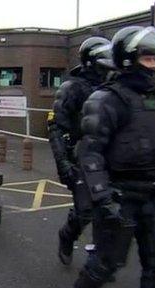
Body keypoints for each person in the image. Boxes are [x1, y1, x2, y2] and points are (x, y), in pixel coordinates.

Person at [72, 26, 155, 288]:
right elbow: (90, 153)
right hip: (120, 196)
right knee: (104, 265)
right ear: (127, 59)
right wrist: (103, 198)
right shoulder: (105, 99)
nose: (153, 65)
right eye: (147, 58)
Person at [47, 36, 114, 265]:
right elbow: (55, 126)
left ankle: (100, 260)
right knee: (85, 210)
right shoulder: (72, 88)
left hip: (108, 157)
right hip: (80, 157)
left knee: (107, 210)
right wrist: (63, 162)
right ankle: (67, 235)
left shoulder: (112, 87)